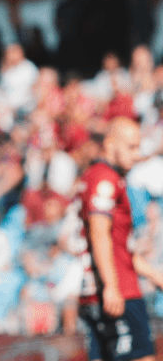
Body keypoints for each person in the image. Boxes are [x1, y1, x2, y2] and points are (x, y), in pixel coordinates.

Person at [77, 118, 163, 361]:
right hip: (119, 295)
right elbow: (99, 233)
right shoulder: (105, 179)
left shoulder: (94, 176)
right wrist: (112, 286)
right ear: (110, 144)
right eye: (131, 147)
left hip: (98, 293)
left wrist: (154, 274)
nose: (137, 155)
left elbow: (118, 247)